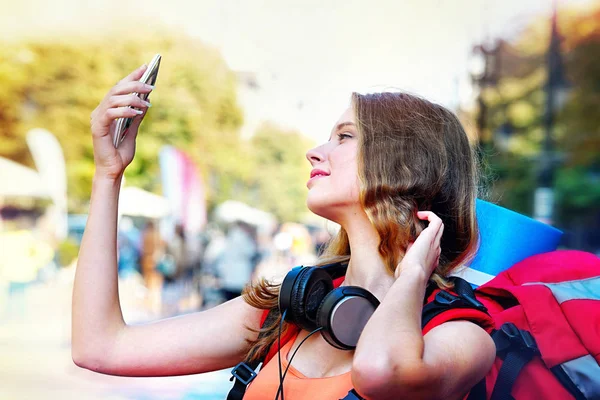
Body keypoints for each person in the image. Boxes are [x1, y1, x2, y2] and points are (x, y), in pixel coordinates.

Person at [72, 64, 495, 399]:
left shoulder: (459, 334)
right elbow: (99, 347)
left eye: (344, 137)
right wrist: (108, 175)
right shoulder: (288, 308)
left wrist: (412, 277)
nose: (315, 151)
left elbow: (381, 374)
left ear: (403, 167)